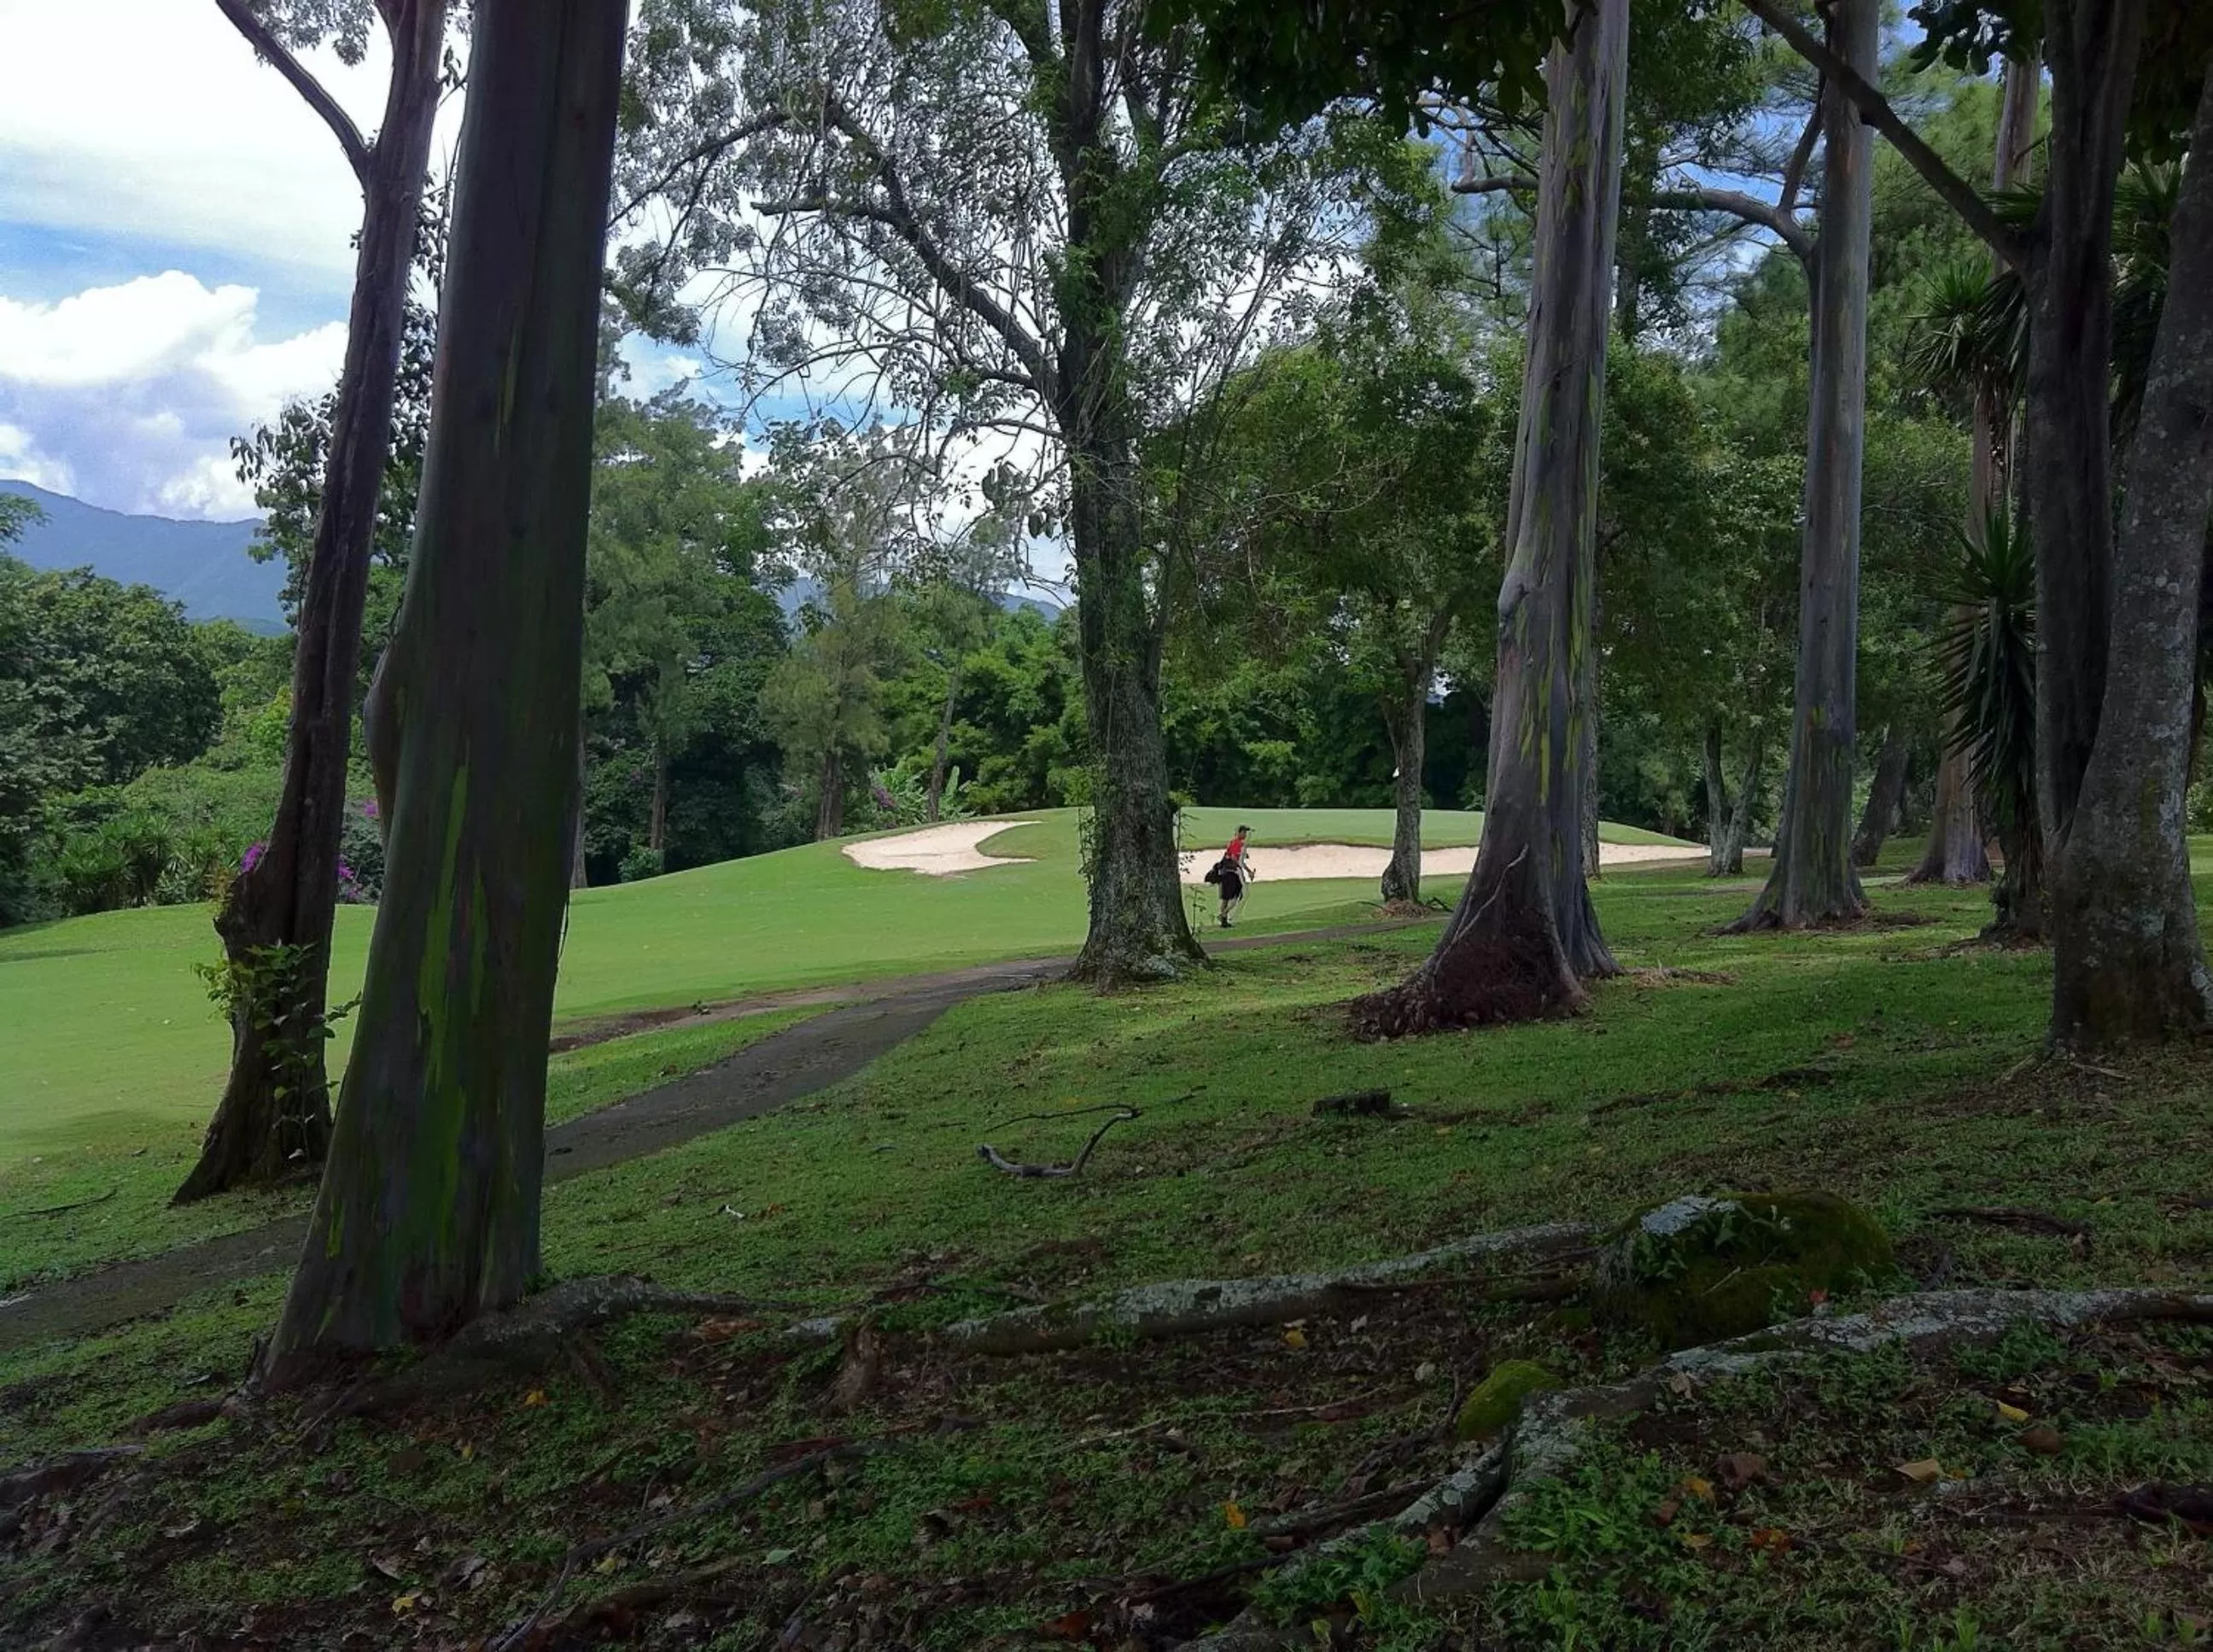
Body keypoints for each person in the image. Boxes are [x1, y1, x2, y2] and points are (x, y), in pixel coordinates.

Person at [1204, 824, 1254, 928]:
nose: (1245, 834)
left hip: (1225, 873)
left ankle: (1223, 921)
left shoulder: (1232, 843)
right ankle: (1222, 916)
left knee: (1226, 898)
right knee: (1236, 897)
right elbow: (1236, 860)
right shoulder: (1238, 844)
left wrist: (1247, 869)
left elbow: (1236, 858)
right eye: (1244, 832)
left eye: (1246, 832)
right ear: (1239, 833)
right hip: (1232, 873)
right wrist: (1246, 870)